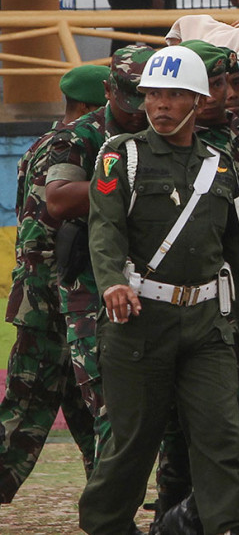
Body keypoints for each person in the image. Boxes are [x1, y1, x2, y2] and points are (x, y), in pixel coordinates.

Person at [76, 45, 239, 535]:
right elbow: (105, 230)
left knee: (223, 439)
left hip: (208, 326)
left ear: (197, 101)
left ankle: (231, 527)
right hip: (138, 324)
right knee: (132, 445)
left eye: (172, 95)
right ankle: (106, 526)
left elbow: (237, 255)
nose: (160, 105)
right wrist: (112, 283)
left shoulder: (220, 165)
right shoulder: (120, 157)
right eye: (153, 95)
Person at [0, 66, 107, 505]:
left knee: (96, 415)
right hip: (49, 304)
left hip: (67, 303)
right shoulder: (64, 147)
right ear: (88, 107)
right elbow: (41, 239)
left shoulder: (51, 143)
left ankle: (109, 513)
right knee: (22, 418)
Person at [44, 45, 155, 466]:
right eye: (129, 102)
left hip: (154, 282)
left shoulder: (165, 129)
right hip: (91, 286)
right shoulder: (80, 136)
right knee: (109, 404)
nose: (138, 113)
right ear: (108, 91)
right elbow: (57, 199)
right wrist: (126, 186)